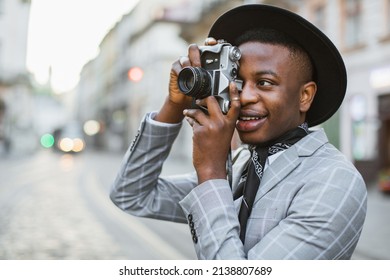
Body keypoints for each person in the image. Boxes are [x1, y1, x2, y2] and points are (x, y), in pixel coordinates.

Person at [110, 4, 367, 259]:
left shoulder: (334, 181)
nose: (243, 97)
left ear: (305, 95)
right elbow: (131, 194)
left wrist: (210, 171)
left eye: (264, 83)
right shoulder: (243, 163)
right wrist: (174, 104)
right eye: (238, 82)